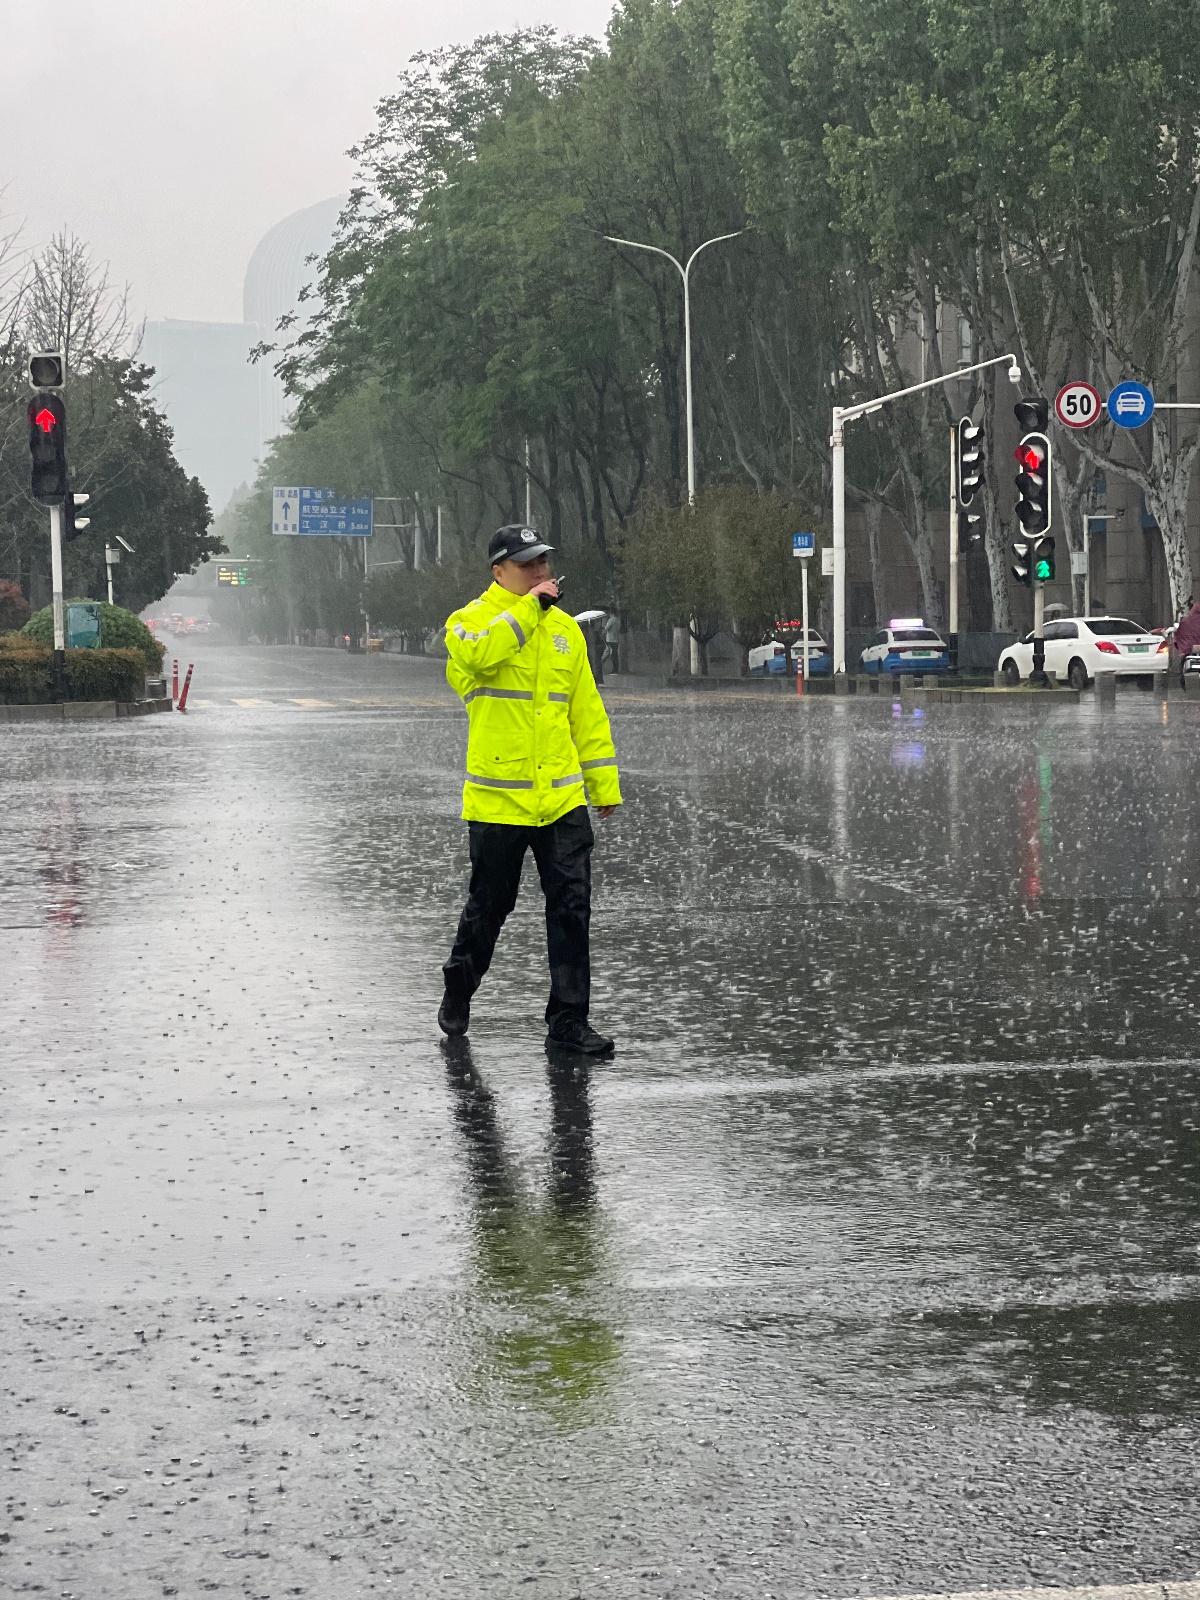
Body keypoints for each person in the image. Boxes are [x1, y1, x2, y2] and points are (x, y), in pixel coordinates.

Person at [438, 525, 623, 1055]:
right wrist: (528, 610)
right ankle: (460, 983)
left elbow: (586, 711)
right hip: (500, 801)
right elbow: (476, 658)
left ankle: (568, 1020)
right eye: (527, 565)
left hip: (561, 801)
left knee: (572, 907)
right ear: (499, 573)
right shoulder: (469, 623)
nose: (541, 573)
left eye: (543, 562)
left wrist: (602, 783)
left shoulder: (566, 632)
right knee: (489, 907)